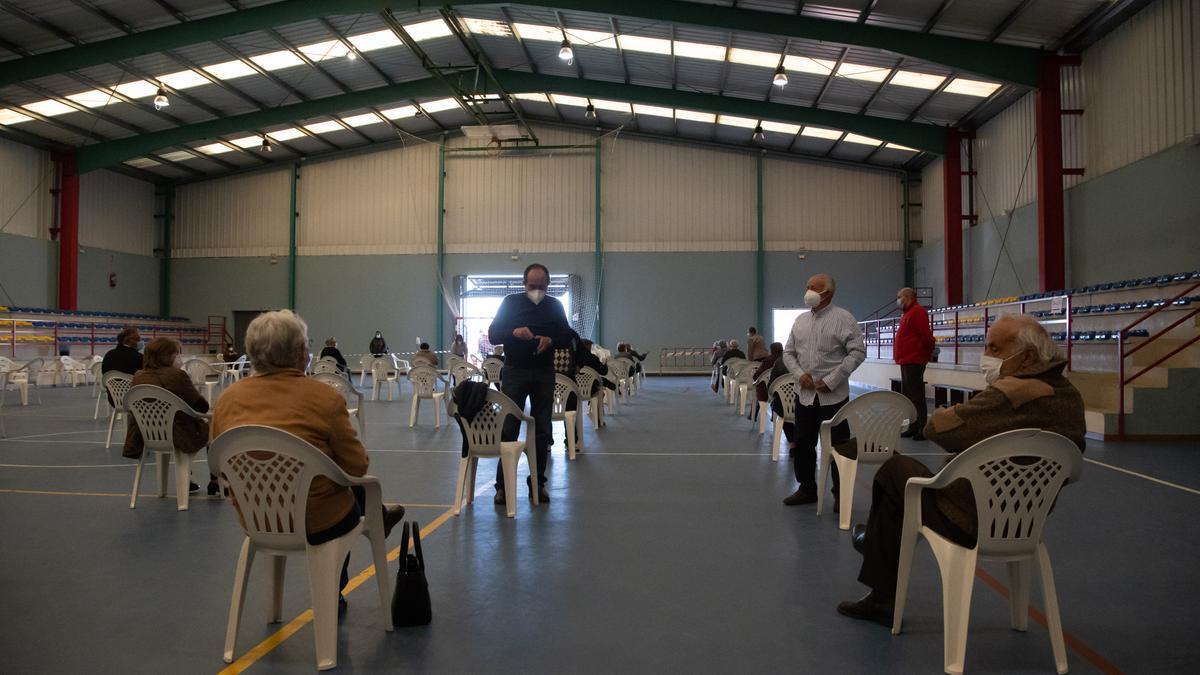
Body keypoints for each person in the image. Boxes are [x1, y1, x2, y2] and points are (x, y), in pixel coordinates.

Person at [837, 314, 1086, 625]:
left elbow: (937, 430)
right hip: (1024, 522)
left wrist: (956, 410)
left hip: (968, 516)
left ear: (1029, 357)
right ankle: (875, 550)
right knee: (902, 489)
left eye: (994, 349)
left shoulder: (1011, 394)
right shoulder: (1069, 396)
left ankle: (879, 578)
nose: (986, 357)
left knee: (895, 470)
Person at [212, 310, 404, 617]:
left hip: (256, 518)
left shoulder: (226, 400)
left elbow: (217, 465)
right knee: (352, 491)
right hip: (317, 519)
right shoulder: (323, 398)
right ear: (301, 353)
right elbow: (357, 467)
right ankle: (334, 589)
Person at [487, 263, 572, 504]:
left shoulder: (555, 306)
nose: (537, 291)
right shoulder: (510, 303)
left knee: (542, 429)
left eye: (542, 287)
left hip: (544, 372)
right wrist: (513, 332)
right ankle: (502, 486)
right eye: (533, 286)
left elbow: (567, 337)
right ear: (524, 285)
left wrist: (551, 339)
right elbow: (493, 334)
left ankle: (538, 484)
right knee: (509, 427)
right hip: (515, 371)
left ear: (548, 286)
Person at [781, 273, 866, 506]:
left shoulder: (844, 319)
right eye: (807, 286)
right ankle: (807, 488)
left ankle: (840, 494)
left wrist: (832, 380)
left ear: (827, 293)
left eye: (813, 287)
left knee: (839, 446)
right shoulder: (800, 320)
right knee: (802, 443)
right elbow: (788, 353)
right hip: (805, 395)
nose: (807, 291)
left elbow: (858, 352)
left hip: (834, 397)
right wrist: (800, 375)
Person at [123, 337, 210, 494]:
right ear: (166, 356)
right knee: (213, 428)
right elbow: (202, 407)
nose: (178, 357)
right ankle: (216, 482)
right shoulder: (177, 375)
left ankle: (187, 478)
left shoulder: (138, 376)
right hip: (179, 434)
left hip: (149, 435)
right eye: (175, 354)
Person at [894, 287, 935, 439]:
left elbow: (926, 336)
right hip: (906, 359)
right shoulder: (907, 313)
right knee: (908, 395)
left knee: (916, 395)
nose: (898, 300)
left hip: (914, 359)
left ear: (907, 297)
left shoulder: (917, 312)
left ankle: (922, 428)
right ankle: (912, 425)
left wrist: (926, 353)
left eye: (899, 296)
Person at [101, 327, 142, 404]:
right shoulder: (139, 357)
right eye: (138, 340)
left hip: (114, 399)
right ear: (130, 341)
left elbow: (104, 374)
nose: (140, 342)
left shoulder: (109, 354)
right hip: (135, 399)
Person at [751, 342, 787, 419]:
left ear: (771, 350)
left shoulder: (767, 361)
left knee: (759, 388)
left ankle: (753, 415)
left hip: (768, 392)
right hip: (786, 392)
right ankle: (773, 415)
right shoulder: (788, 361)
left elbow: (756, 376)